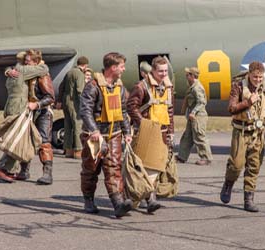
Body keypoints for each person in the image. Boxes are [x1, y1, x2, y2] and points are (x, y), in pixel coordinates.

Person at [219, 61, 265, 212]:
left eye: (260, 77)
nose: (258, 80)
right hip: (241, 132)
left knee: (254, 167)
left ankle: (249, 200)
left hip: (259, 133)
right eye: (255, 77)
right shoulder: (239, 87)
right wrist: (248, 102)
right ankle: (228, 183)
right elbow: (231, 108)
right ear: (249, 74)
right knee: (236, 165)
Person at [79, 52, 133, 218]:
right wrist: (94, 130)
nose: (124, 69)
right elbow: (85, 110)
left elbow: (123, 111)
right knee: (91, 169)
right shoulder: (93, 86)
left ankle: (118, 203)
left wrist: (126, 132)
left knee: (113, 168)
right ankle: (88, 199)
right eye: (122, 66)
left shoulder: (120, 87)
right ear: (113, 67)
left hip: (114, 133)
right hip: (94, 135)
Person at [0, 51, 49, 183]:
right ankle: (1, 169)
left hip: (10, 106)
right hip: (19, 108)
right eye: (27, 60)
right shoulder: (23, 70)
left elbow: (10, 70)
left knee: (16, 139)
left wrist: (7, 70)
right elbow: (45, 69)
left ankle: (9, 169)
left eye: (29, 60)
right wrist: (40, 63)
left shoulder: (14, 70)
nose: (28, 62)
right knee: (17, 140)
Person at [127, 56, 175, 213]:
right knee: (142, 167)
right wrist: (143, 123)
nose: (163, 74)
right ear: (153, 70)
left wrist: (171, 132)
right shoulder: (142, 87)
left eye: (166, 71)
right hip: (146, 131)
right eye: (160, 71)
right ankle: (134, 198)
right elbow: (131, 106)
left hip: (162, 131)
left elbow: (170, 111)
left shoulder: (168, 87)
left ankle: (151, 199)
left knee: (157, 167)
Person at [21, 49, 56, 185]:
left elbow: (50, 97)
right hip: (29, 111)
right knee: (26, 141)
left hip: (43, 113)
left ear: (35, 62)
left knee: (44, 142)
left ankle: (47, 174)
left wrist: (37, 105)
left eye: (28, 61)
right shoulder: (27, 74)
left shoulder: (42, 75)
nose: (25, 63)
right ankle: (24, 171)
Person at [175, 67, 213, 165]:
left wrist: (193, 112)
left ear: (192, 76)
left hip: (198, 116)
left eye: (187, 75)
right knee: (187, 136)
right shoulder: (192, 87)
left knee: (199, 136)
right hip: (193, 116)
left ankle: (206, 157)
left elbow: (202, 102)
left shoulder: (197, 88)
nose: (186, 77)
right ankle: (181, 157)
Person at [56, 56, 89, 159]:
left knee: (68, 125)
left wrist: (60, 101)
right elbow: (80, 90)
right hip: (74, 102)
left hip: (66, 102)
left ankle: (68, 150)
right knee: (77, 125)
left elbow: (61, 86)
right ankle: (78, 151)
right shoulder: (79, 73)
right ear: (85, 65)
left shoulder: (69, 72)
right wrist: (85, 104)